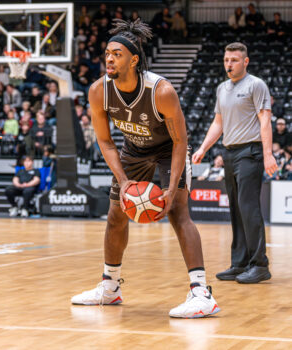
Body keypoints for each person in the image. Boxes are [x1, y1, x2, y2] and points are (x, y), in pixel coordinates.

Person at [71, 19, 220, 318]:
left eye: (117, 54)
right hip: (133, 150)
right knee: (116, 214)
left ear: (134, 60)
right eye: (107, 54)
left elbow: (180, 143)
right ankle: (110, 287)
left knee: (178, 211)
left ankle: (201, 292)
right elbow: (105, 141)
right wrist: (123, 180)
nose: (109, 59)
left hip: (169, 150)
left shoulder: (161, 91)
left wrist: (170, 187)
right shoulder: (99, 91)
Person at [192, 42, 276, 284]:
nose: (229, 64)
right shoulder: (221, 88)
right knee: (237, 211)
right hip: (229, 153)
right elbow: (218, 123)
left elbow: (265, 121)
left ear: (245, 62)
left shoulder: (256, 85)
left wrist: (268, 154)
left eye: (234, 60)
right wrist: (203, 148)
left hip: (251, 153)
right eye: (226, 59)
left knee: (248, 208)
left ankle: (260, 265)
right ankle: (240, 264)